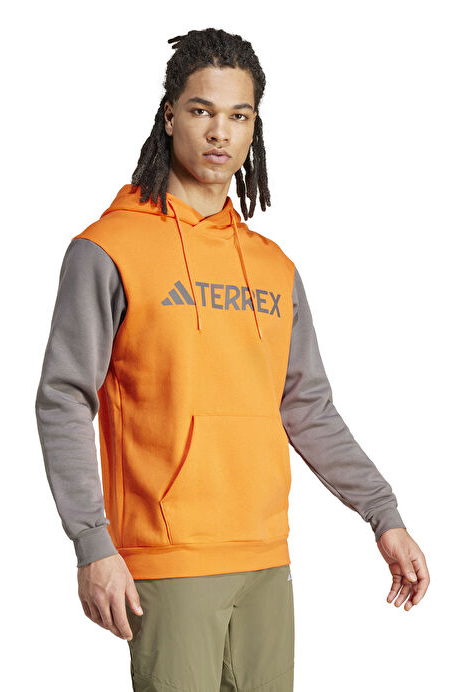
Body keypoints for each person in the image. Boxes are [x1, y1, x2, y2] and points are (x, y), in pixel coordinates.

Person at [35, 27, 430, 692]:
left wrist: (382, 514)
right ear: (169, 116)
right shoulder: (107, 250)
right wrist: (91, 542)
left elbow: (307, 408)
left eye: (239, 116)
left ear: (253, 128)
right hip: (169, 560)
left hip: (265, 558)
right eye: (202, 111)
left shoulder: (273, 267)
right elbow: (63, 399)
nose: (220, 133)